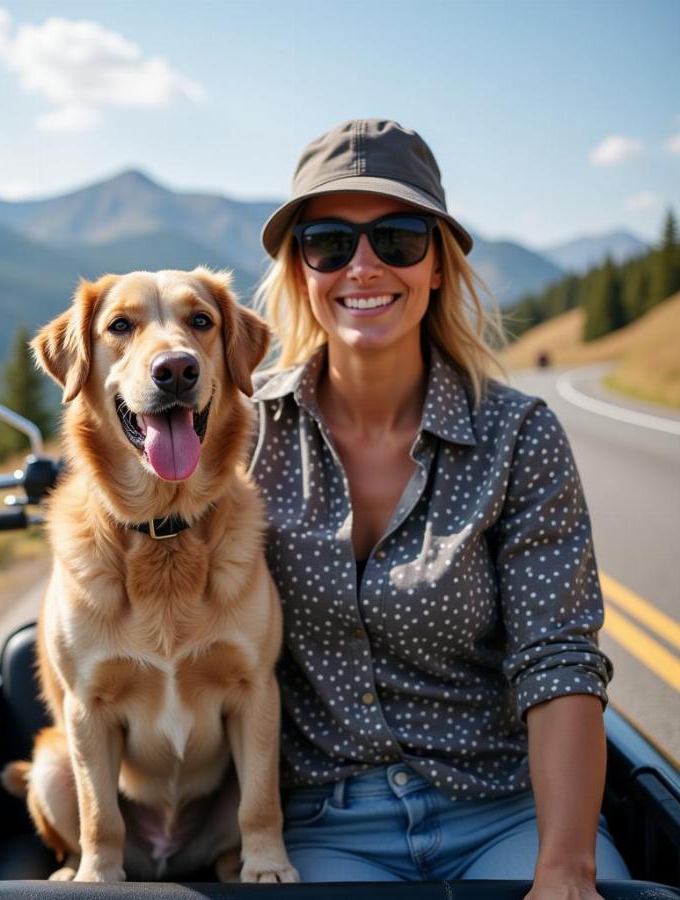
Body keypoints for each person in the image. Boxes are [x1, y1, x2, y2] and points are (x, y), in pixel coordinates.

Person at [248, 120, 630, 896]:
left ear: (437, 266)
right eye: (328, 242)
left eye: (398, 238)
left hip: (507, 813)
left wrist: (564, 868)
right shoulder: (244, 435)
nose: (362, 266)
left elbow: (556, 659)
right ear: (300, 269)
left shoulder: (518, 436)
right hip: (321, 827)